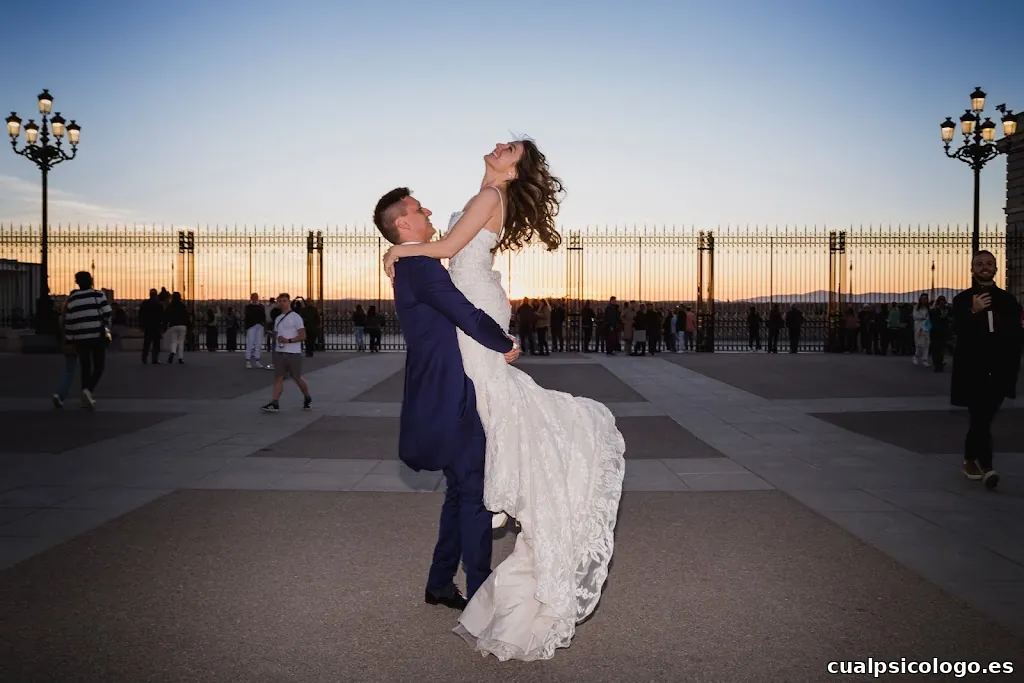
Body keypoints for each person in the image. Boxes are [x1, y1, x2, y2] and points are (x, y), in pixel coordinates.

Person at [381, 139, 626, 662]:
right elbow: (449, 261)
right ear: (404, 220)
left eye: (508, 146)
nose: (497, 145)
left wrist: (399, 249)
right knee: (468, 480)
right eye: (417, 210)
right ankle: (446, 582)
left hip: (477, 324)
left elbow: (446, 253)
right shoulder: (485, 196)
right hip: (475, 321)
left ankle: (467, 589)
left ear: (514, 166)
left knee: (472, 480)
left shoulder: (486, 198)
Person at [374, 187, 519, 611]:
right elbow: (463, 311)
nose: (429, 211)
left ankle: (440, 583)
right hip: (451, 391)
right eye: (419, 210)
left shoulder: (415, 261)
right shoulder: (419, 263)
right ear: (403, 224)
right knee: (474, 492)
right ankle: (480, 597)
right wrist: (504, 342)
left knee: (461, 490)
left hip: (442, 386)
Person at [951, 251, 1022, 489]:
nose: (984, 267)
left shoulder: (1008, 300)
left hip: (1000, 370)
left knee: (983, 417)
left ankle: (970, 459)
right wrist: (973, 312)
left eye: (989, 264)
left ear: (996, 269)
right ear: (972, 269)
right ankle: (987, 467)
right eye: (979, 264)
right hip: (973, 370)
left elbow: (1015, 334)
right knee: (980, 416)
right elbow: (959, 331)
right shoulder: (962, 300)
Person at [62, 271, 112, 409]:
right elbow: (107, 313)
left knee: (85, 366)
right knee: (99, 366)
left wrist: (69, 339)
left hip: (80, 338)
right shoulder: (98, 294)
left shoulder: (73, 298)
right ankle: (88, 390)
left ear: (77, 282)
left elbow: (69, 321)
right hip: (96, 335)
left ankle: (86, 394)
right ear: (91, 280)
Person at [260, 293, 312, 412]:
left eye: (284, 301)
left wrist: (288, 340)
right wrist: (272, 335)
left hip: (293, 352)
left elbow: (303, 335)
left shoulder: (296, 317)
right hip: (280, 351)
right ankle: (275, 402)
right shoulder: (278, 319)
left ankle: (307, 396)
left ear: (289, 302)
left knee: (297, 377)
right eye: (280, 301)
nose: (282, 303)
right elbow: (277, 335)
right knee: (278, 377)